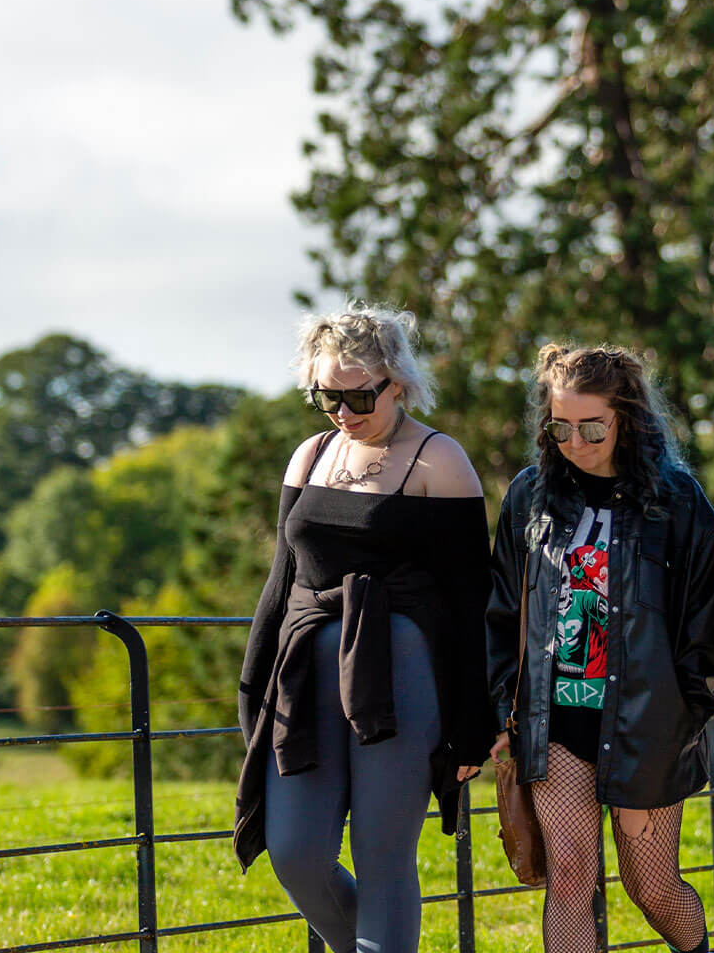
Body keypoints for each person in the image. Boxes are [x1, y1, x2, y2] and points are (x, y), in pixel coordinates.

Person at [233, 304, 496, 952]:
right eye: (327, 396)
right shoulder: (311, 454)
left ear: (398, 383)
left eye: (358, 395)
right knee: (294, 851)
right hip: (301, 678)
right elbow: (280, 583)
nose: (343, 411)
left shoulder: (441, 461)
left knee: (382, 861)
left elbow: (472, 602)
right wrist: (252, 688)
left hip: (402, 678)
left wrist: (475, 722)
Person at [484, 343, 714, 953]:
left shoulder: (677, 503)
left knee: (651, 887)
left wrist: (686, 714)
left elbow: (703, 625)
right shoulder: (528, 498)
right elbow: (501, 612)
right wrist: (499, 713)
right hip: (555, 720)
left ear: (628, 420)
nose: (575, 441)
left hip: (648, 722)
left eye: (592, 426)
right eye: (560, 426)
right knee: (569, 876)